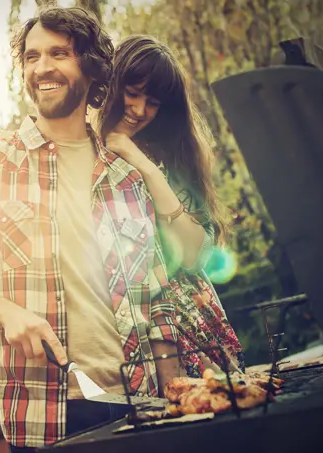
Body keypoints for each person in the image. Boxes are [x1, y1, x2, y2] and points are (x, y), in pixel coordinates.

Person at [0, 7, 181, 452]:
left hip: (141, 405)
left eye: (59, 53)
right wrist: (4, 312)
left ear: (92, 67)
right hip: (43, 412)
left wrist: (177, 398)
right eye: (31, 57)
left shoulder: (124, 175)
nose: (42, 67)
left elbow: (155, 300)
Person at [97, 34, 245, 377]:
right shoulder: (79, 154)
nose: (138, 109)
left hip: (184, 320)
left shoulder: (168, 157)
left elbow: (196, 255)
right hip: (111, 323)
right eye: (132, 93)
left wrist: (142, 164)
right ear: (110, 85)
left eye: (153, 102)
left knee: (212, 411)